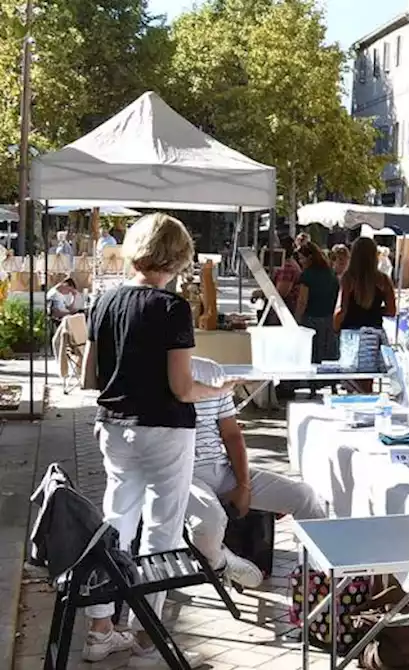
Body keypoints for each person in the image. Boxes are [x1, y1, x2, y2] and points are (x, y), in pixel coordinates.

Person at [80, 213, 234, 667]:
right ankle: (149, 639)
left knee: (115, 523)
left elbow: (91, 375)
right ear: (179, 257)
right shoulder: (172, 308)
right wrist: (220, 390)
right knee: (162, 532)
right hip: (164, 427)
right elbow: (183, 388)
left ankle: (99, 627)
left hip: (113, 423)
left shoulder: (103, 302)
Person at [186, 358, 325, 589]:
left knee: (305, 497)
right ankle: (222, 563)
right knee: (210, 522)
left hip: (220, 470)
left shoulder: (210, 371)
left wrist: (243, 486)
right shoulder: (149, 377)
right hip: (179, 474)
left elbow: (231, 434)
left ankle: (319, 582)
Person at [335, 238, 397, 391]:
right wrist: (375, 310)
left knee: (351, 379)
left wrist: (335, 327)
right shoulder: (383, 279)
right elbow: (392, 310)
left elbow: (341, 309)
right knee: (368, 381)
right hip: (374, 332)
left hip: (352, 332)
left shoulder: (348, 278)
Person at [294, 242, 340, 365]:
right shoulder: (331, 273)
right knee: (326, 354)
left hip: (311, 319)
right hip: (329, 319)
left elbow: (302, 301)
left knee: (312, 354)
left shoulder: (307, 275)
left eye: (301, 258)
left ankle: (312, 383)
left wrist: (296, 321)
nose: (300, 261)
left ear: (309, 258)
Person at [272, 238, 302, 315]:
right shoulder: (291, 263)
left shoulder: (287, 267)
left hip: (285, 309)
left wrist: (262, 294)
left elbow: (281, 293)